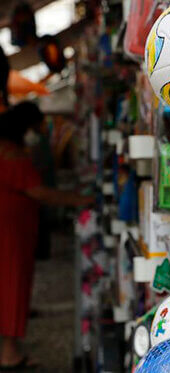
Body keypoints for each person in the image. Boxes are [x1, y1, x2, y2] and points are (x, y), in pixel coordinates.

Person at [0, 102, 93, 371]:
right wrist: (79, 199)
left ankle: (11, 349)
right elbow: (41, 192)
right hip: (12, 234)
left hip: (12, 230)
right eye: (36, 126)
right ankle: (9, 355)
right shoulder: (12, 155)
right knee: (13, 287)